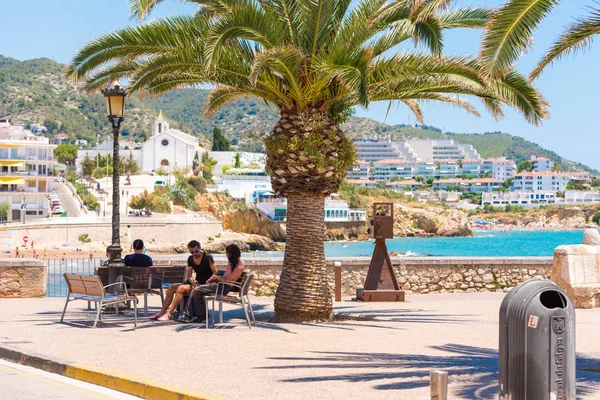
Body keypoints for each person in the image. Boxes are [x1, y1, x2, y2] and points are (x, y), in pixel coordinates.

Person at [176, 244, 244, 323]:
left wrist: (217, 278)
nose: (226, 254)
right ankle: (191, 314)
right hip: (219, 285)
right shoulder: (232, 263)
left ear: (231, 253)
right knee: (196, 289)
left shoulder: (239, 267)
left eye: (227, 252)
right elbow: (226, 276)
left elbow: (227, 280)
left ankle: (193, 315)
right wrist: (215, 277)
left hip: (222, 288)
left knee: (196, 290)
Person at [149, 240, 216, 321]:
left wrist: (209, 281)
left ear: (200, 249)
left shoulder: (207, 257)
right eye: (192, 252)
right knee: (171, 287)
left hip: (204, 284)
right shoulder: (190, 259)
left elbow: (215, 272)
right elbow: (188, 276)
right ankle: (162, 312)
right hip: (195, 282)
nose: (194, 254)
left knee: (181, 288)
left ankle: (169, 314)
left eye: (196, 251)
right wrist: (192, 281)